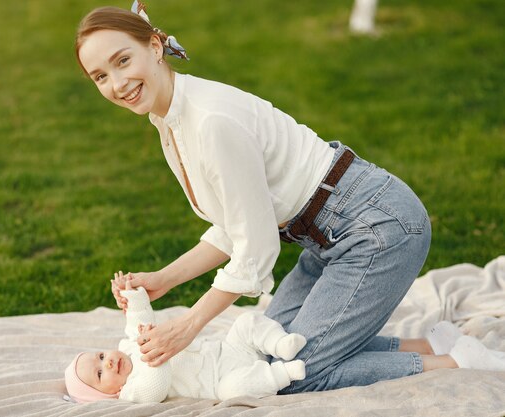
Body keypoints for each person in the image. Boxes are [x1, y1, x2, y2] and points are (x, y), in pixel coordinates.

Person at [75, 2, 505, 393]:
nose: (117, 83)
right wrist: (163, 280)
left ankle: (458, 360)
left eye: (123, 60)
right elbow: (235, 224)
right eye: (100, 76)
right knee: (267, 351)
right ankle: (432, 340)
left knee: (293, 372)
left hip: (378, 227)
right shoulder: (171, 118)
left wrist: (189, 324)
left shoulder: (210, 123)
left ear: (154, 47)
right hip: (326, 237)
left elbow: (257, 246)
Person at [65, 272, 308, 403]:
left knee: (245, 322)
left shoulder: (130, 345)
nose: (106, 362)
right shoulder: (131, 391)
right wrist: (154, 353)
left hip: (229, 349)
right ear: (108, 394)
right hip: (223, 379)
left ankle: (279, 343)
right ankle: (282, 374)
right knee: (232, 392)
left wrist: (131, 294)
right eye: (99, 373)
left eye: (100, 356)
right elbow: (155, 389)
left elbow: (138, 317)